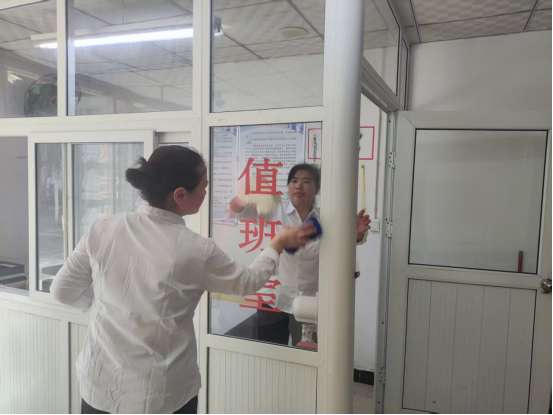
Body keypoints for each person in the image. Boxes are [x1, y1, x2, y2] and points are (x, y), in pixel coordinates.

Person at [50, 146, 315, 415]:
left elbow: (61, 291)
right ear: (180, 195)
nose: (206, 192)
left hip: (98, 388)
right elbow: (247, 282)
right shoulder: (195, 250)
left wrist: (103, 309)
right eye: (204, 186)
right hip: (160, 395)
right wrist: (277, 244)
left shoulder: (102, 229)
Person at [230, 163, 371, 347]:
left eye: (306, 181)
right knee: (270, 354)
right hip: (273, 298)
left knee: (308, 354)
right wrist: (241, 201)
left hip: (310, 300)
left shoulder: (327, 218)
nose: (299, 186)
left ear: (317, 189)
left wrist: (357, 233)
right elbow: (240, 213)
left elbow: (347, 242)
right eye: (294, 181)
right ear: (288, 187)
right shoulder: (274, 211)